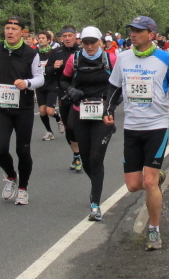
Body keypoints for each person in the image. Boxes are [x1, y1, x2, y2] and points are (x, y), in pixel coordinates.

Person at [103, 16, 169, 251]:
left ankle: (154, 229)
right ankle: (157, 178)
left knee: (148, 182)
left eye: (139, 30)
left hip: (157, 125)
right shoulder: (123, 58)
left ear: (151, 35)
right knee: (133, 185)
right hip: (132, 126)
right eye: (131, 30)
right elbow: (114, 87)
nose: (133, 34)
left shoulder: (165, 58)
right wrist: (108, 109)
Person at [0, 16, 44, 205]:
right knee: (0, 149)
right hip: (1, 107)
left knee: (23, 150)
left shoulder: (31, 53)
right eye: (7, 28)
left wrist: (26, 83)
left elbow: (40, 78)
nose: (9, 32)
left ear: (22, 32)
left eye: (14, 29)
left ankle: (23, 188)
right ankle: (11, 176)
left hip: (23, 109)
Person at [61, 26, 117, 221]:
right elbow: (64, 80)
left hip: (103, 115)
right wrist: (71, 91)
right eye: (86, 42)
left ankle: (95, 203)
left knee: (96, 158)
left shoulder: (111, 59)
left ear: (100, 41)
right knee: (86, 160)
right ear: (81, 43)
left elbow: (119, 85)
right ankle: (96, 184)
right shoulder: (74, 59)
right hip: (81, 113)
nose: (90, 46)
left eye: (93, 42)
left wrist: (110, 105)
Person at [45, 26, 82, 171]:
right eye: (64, 36)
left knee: (77, 126)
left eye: (70, 36)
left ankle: (82, 153)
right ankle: (76, 155)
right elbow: (47, 71)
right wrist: (54, 67)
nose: (67, 39)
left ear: (75, 37)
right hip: (64, 94)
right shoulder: (56, 52)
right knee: (68, 127)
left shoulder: (82, 51)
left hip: (81, 94)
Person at [35, 31, 58, 141]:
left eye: (43, 38)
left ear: (49, 40)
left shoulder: (54, 53)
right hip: (40, 85)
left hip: (52, 84)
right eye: (39, 38)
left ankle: (58, 118)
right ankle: (49, 132)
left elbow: (56, 67)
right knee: (42, 111)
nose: (40, 40)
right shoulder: (35, 53)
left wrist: (48, 69)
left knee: (50, 111)